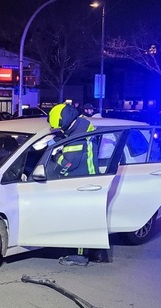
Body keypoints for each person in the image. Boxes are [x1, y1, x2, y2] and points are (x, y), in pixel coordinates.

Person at [47, 103, 106, 266]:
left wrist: (55, 155)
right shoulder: (82, 126)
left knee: (79, 220)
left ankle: (79, 256)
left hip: (82, 182)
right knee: (90, 219)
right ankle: (96, 252)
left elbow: (68, 164)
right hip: (91, 179)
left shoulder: (76, 138)